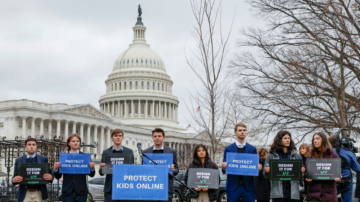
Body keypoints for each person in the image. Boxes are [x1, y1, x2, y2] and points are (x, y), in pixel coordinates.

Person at [222, 123, 262, 202]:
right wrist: (224, 167)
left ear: (246, 132)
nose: (242, 132)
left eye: (244, 130)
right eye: (240, 130)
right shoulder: (228, 149)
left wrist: (259, 168)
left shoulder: (252, 149)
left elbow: (256, 169)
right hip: (233, 186)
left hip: (248, 186)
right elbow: (224, 170)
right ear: (235, 132)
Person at [54, 134, 96, 202]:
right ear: (69, 143)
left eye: (77, 141)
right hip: (67, 191)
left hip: (81, 192)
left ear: (79, 143)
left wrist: (92, 168)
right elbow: (58, 176)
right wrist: (56, 169)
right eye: (73, 141)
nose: (76, 143)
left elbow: (92, 174)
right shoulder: (63, 157)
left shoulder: (85, 157)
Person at [264, 131, 304, 202]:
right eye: (285, 138)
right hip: (278, 194)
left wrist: (302, 172)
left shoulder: (296, 155)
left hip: (293, 194)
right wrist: (267, 171)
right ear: (279, 140)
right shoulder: (271, 155)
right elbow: (265, 175)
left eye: (289, 138)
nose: (288, 140)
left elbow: (301, 176)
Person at [142, 128, 179, 202]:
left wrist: (173, 170)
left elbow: (177, 169)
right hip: (151, 188)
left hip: (166, 189)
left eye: (159, 136)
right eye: (155, 136)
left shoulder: (171, 151)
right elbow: (143, 170)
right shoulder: (146, 152)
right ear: (152, 138)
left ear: (164, 137)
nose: (157, 138)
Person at [12, 137, 53, 202]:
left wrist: (51, 177)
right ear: (25, 147)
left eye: (33, 145)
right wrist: (14, 180)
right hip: (25, 193)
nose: (31, 146)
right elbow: (14, 176)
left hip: (39, 193)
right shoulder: (19, 160)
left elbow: (50, 173)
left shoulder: (43, 159)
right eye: (29, 144)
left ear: (36, 147)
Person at [99, 129, 134, 202]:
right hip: (110, 189)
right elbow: (102, 173)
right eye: (116, 136)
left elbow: (131, 170)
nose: (118, 137)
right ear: (112, 138)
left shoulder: (129, 152)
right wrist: (101, 169)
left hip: (125, 188)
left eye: (120, 136)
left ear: (122, 138)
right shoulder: (106, 152)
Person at [305, 132, 341, 202]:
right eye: (314, 139)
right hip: (313, 195)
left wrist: (338, 176)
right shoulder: (310, 156)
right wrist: (308, 176)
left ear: (323, 140)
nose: (315, 141)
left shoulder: (333, 155)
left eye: (317, 139)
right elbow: (306, 172)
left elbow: (338, 172)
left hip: (329, 196)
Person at [328, 134, 360, 202]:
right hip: (346, 181)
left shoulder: (326, 153)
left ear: (330, 142)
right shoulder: (349, 153)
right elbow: (357, 168)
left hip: (331, 182)